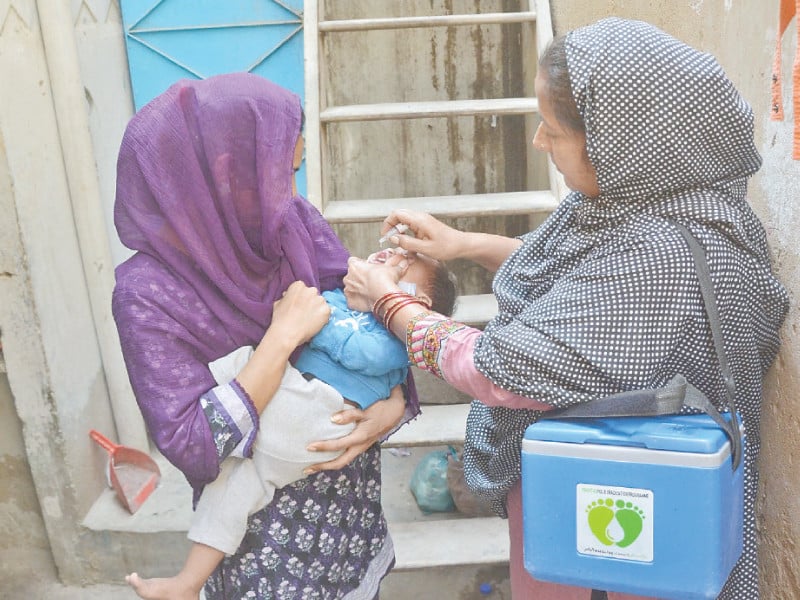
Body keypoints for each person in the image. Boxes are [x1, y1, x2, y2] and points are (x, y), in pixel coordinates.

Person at [342, 17, 788, 600]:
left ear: (622, 140)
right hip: (606, 495)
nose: (538, 141)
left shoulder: (661, 259)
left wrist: (391, 303)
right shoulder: (667, 203)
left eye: (552, 129)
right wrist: (465, 245)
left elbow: (495, 371)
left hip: (618, 525)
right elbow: (590, 277)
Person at [112, 72, 453, 599]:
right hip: (266, 559)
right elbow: (194, 446)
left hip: (350, 524)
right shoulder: (148, 294)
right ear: (225, 171)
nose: (289, 194)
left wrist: (393, 403)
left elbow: (380, 323)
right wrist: (278, 341)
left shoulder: (291, 222)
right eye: (280, 174)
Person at [125, 247, 454, 600]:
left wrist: (303, 327)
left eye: (401, 264)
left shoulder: (394, 338)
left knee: (248, 389)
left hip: (318, 417)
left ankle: (228, 404)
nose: (387, 254)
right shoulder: (344, 301)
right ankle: (188, 583)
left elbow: (360, 350)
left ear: (414, 300)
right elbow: (311, 301)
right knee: (226, 493)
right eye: (385, 252)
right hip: (287, 427)